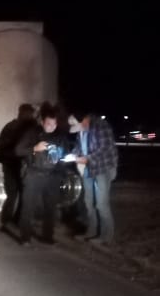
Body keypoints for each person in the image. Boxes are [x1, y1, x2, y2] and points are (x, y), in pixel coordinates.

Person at [15, 102, 70, 244]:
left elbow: (65, 156)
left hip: (53, 177)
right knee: (28, 207)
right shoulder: (32, 133)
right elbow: (18, 150)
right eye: (48, 124)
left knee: (50, 208)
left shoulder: (60, 136)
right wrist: (34, 148)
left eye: (54, 124)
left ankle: (48, 237)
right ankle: (25, 238)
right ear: (42, 122)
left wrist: (61, 170)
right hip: (34, 175)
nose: (51, 127)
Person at [74, 112, 118, 244]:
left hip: (102, 168)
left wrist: (87, 158)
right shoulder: (81, 128)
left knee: (101, 204)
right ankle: (91, 232)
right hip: (88, 169)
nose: (78, 126)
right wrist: (73, 155)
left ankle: (106, 237)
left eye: (80, 123)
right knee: (88, 203)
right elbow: (79, 146)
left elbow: (104, 148)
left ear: (86, 118)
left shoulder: (101, 126)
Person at [0, 103, 37, 228]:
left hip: (14, 163)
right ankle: (14, 221)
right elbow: (0, 143)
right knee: (19, 193)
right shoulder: (27, 127)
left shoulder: (12, 125)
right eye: (29, 113)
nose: (30, 116)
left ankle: (7, 221)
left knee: (14, 193)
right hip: (17, 163)